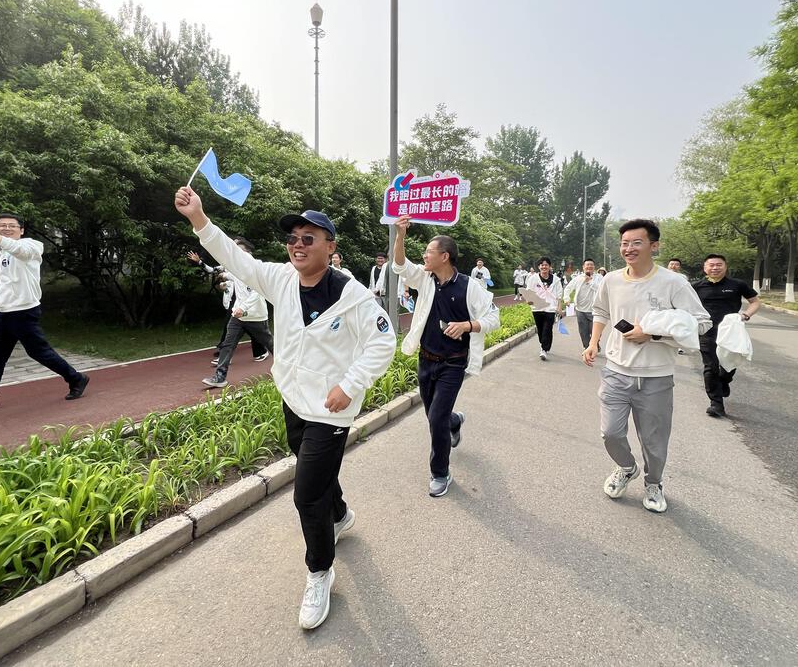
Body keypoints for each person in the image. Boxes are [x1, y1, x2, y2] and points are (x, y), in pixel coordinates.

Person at [174, 187, 395, 631]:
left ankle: (320, 572)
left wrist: (350, 385)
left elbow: (383, 341)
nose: (298, 244)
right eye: (293, 238)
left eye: (308, 238)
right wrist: (199, 218)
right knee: (316, 477)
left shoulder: (352, 296)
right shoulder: (280, 279)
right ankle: (340, 515)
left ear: (330, 246)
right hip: (294, 398)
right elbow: (237, 260)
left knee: (306, 495)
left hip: (330, 411)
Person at [583, 219, 711, 514]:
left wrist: (653, 334)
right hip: (616, 371)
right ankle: (627, 467)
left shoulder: (673, 283)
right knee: (611, 433)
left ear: (654, 246)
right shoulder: (611, 280)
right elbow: (600, 311)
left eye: (636, 243)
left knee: (654, 441)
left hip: (656, 377)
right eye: (624, 243)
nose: (628, 248)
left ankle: (654, 483)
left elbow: (702, 323)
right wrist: (593, 342)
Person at [392, 217, 499, 498]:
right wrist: (400, 235)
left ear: (444, 256)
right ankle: (454, 421)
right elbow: (400, 265)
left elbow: (494, 317)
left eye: (429, 251)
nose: (424, 255)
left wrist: (467, 325)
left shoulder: (469, 287)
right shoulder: (424, 278)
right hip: (426, 359)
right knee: (434, 415)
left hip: (453, 362)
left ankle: (440, 473)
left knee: (435, 418)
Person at [0, 214, 89, 412]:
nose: (7, 229)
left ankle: (76, 378)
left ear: (21, 230)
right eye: (2, 226)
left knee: (39, 352)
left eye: (12, 226)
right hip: (3, 312)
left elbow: (17, 249)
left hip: (23, 312)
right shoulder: (1, 250)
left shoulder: (32, 246)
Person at [691, 254, 760, 418]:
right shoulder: (696, 287)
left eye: (719, 264)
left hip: (731, 331)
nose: (715, 268)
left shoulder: (737, 284)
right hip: (706, 332)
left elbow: (755, 302)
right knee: (711, 367)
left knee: (730, 364)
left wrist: (746, 315)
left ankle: (724, 381)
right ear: (705, 268)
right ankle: (716, 404)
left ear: (725, 266)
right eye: (711, 265)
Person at [201, 239, 274, 389]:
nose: (233, 251)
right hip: (238, 317)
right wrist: (222, 278)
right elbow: (227, 275)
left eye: (237, 248)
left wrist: (243, 307)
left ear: (246, 252)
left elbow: (258, 292)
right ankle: (220, 377)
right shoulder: (236, 268)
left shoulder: (255, 269)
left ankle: (290, 368)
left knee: (271, 345)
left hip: (256, 317)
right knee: (227, 344)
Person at [186, 251, 268, 364]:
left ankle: (264, 351)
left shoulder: (251, 270)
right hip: (235, 301)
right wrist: (200, 262)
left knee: (252, 328)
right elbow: (213, 271)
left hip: (249, 304)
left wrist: (225, 280)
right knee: (230, 327)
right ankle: (224, 356)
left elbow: (256, 292)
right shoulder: (227, 264)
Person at [524, 257, 563, 360]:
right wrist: (528, 300)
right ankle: (544, 344)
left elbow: (559, 295)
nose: (544, 267)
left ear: (550, 267)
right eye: (542, 265)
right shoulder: (533, 278)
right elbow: (528, 291)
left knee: (547, 328)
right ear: (539, 267)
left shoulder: (556, 280)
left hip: (550, 308)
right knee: (541, 329)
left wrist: (559, 307)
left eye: (546, 265)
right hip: (537, 307)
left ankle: (544, 349)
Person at [563, 258, 602, 349]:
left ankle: (595, 343)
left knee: (595, 331)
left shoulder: (599, 278)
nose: (589, 266)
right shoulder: (578, 278)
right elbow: (568, 288)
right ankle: (587, 347)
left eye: (591, 265)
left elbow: (601, 290)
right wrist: (566, 299)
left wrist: (590, 281)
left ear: (594, 267)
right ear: (583, 267)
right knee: (583, 331)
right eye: (587, 265)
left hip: (595, 310)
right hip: (580, 309)